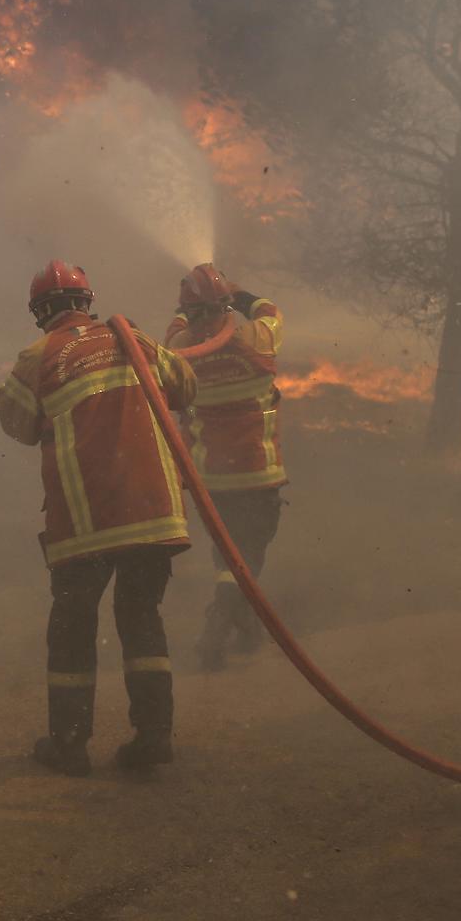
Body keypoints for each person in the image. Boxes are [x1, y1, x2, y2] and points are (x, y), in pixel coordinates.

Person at [0, 260, 198, 776]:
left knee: (72, 626)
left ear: (39, 312)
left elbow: (15, 423)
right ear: (87, 302)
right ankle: (153, 738)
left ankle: (69, 745)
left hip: (84, 521)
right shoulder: (132, 339)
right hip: (152, 513)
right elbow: (185, 386)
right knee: (141, 619)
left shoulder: (38, 356)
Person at [164, 263, 287, 671]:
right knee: (248, 553)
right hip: (258, 470)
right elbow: (271, 311)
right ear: (226, 304)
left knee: (227, 555)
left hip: (211, 478)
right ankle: (220, 619)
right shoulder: (254, 337)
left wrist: (187, 310)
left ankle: (247, 630)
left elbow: (175, 328)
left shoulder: (179, 348)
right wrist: (241, 292)